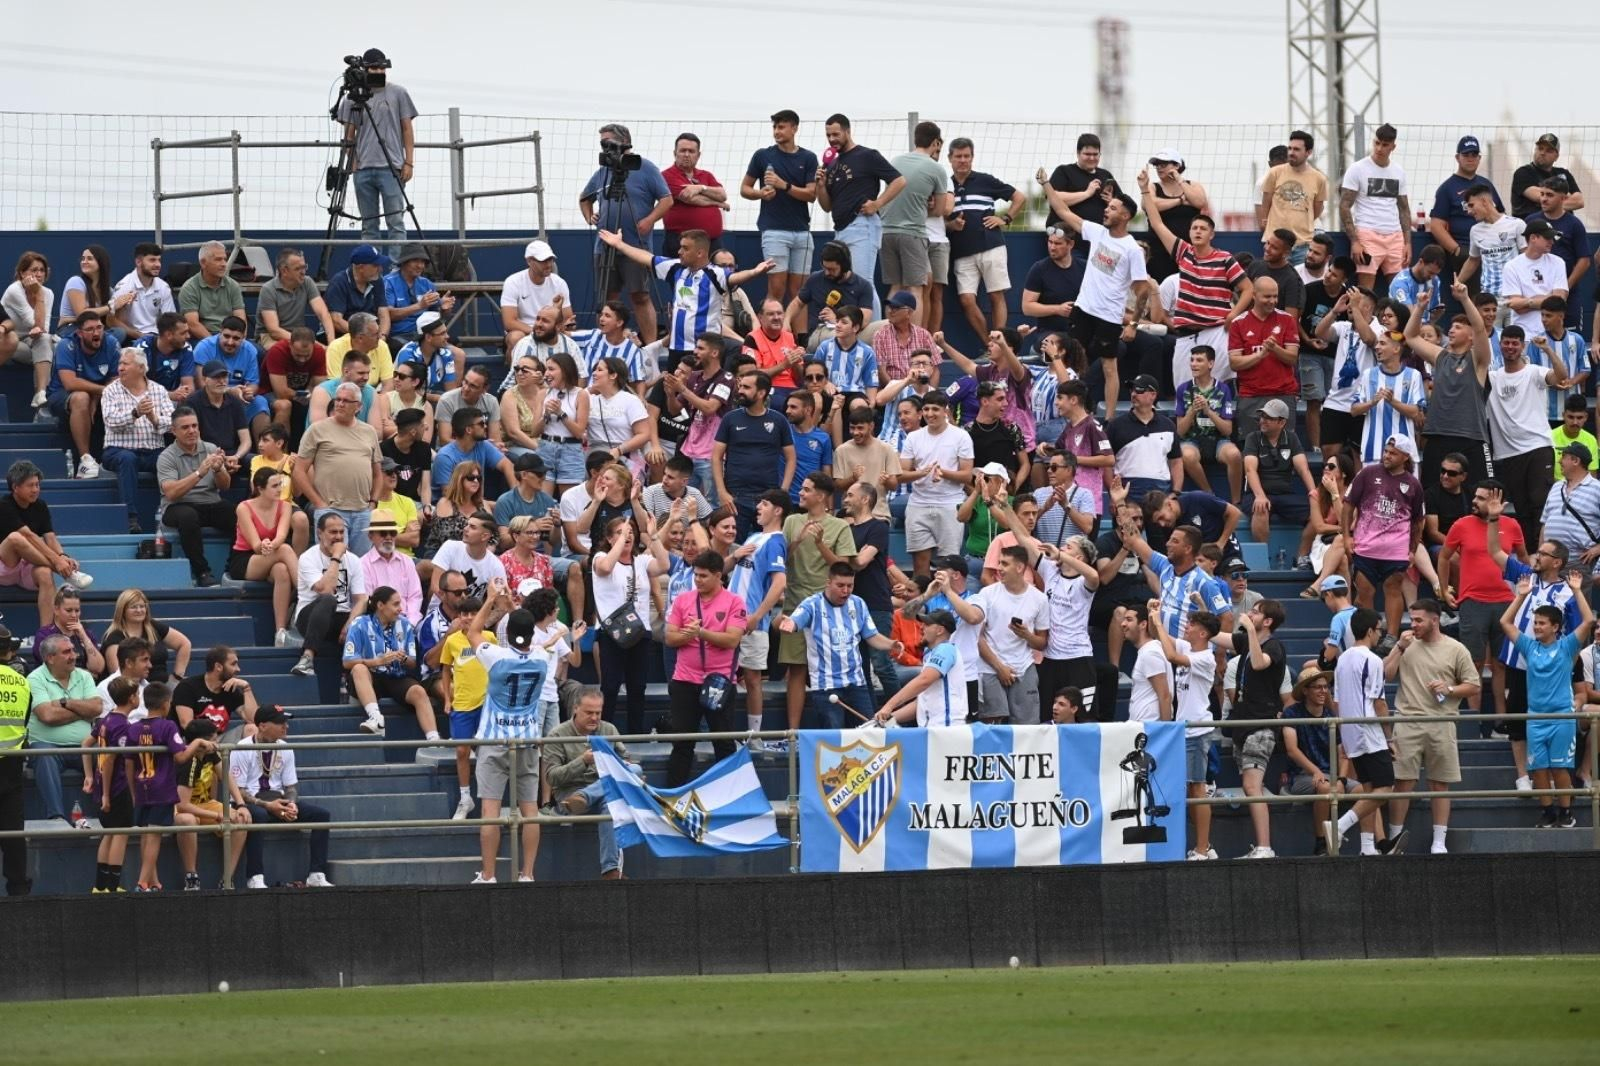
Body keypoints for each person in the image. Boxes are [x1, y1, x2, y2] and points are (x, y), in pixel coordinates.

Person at [1039, 171, 1158, 419]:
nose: (1106, 210)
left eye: (1113, 208)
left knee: (1109, 366)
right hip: (1083, 309)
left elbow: (1143, 290)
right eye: (1108, 207)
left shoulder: (1132, 249)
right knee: (1070, 363)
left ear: (1125, 216)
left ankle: (1109, 419)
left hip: (1109, 317)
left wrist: (1134, 324)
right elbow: (1063, 212)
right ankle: (1067, 411)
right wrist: (1047, 184)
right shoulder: (1096, 232)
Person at [1486, 493, 1582, 792]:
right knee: (1519, 717)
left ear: (1557, 562)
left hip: (1551, 667)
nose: (1535, 556)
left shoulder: (1568, 593)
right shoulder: (1526, 576)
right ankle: (1522, 775)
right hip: (1519, 659)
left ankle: (1554, 776)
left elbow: (1578, 634)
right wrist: (1493, 518)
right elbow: (1495, 552)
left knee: (1549, 720)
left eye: (1542, 553)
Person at [462, 582, 549, 883]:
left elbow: (473, 632)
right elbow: (529, 635)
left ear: (506, 632)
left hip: (494, 738)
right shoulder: (542, 658)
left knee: (490, 809)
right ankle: (527, 874)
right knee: (530, 810)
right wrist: (513, 607)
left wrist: (490, 601)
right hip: (527, 739)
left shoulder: (495, 656)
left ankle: (488, 875)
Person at [1137, 173, 1250, 390]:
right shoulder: (1183, 253)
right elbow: (1158, 224)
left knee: (1215, 392)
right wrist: (1144, 189)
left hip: (1216, 332)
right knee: (1184, 392)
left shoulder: (1224, 259)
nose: (1198, 231)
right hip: (1185, 335)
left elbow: (1247, 289)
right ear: (1189, 233)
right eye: (1194, 228)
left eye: (1203, 229)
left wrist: (1233, 315)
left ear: (1212, 234)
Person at [1381, 599, 1477, 855]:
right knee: (1402, 782)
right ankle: (1394, 840)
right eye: (1412, 619)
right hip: (1407, 721)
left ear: (1435, 620)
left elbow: (1474, 685)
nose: (1413, 624)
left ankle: (1439, 842)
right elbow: (1385, 675)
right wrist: (1399, 648)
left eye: (1418, 620)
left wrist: (1451, 689)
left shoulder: (1456, 649)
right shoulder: (1406, 645)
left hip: (1442, 722)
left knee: (1440, 783)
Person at [1501, 572, 1591, 830]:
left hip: (1562, 718)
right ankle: (1548, 812)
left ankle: (1566, 812)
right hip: (1535, 718)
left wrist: (1576, 591)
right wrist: (1521, 596)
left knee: (1560, 770)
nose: (1537, 627)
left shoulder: (1567, 647)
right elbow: (1505, 623)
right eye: (1536, 623)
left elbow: (1588, 620)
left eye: (1542, 623)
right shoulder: (1530, 647)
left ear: (1555, 627)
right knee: (1539, 770)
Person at [776, 562, 902, 729]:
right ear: (828, 583)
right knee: (834, 741)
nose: (846, 591)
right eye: (840, 585)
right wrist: (788, 625)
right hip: (826, 686)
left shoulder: (858, 604)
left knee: (869, 734)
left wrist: (891, 644)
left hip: (857, 683)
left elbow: (872, 636)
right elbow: (794, 621)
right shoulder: (811, 604)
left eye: (850, 585)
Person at [662, 549, 749, 785]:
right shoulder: (683, 600)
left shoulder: (734, 602)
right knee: (682, 742)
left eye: (703, 576)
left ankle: (729, 793)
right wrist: (688, 635)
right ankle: (674, 795)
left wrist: (699, 633)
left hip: (719, 681)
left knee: (723, 742)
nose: (697, 580)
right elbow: (670, 638)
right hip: (684, 680)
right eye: (696, 575)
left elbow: (732, 640)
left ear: (718, 575)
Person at [580, 123, 673, 344]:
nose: (604, 147)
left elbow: (667, 199)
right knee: (607, 299)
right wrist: (590, 216)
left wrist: (650, 220)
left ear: (623, 141)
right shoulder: (602, 172)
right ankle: (608, 343)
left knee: (640, 295)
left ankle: (650, 346)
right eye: (602, 143)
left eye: (607, 142)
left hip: (636, 246)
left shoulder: (645, 167)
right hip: (604, 245)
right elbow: (585, 198)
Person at [230, 706, 335, 888]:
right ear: (262, 726)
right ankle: (255, 876)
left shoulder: (285, 748)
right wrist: (268, 805)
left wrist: (292, 804)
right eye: (280, 723)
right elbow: (238, 790)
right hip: (251, 802)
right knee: (258, 816)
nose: (285, 727)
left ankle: (316, 873)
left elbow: (290, 786)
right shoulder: (243, 747)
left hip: (278, 799)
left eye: (285, 722)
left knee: (321, 815)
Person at [1147, 606, 1222, 859]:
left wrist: (1158, 621)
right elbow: (1162, 639)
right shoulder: (1189, 648)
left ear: (1202, 633)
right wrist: (1152, 614)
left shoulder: (1206, 657)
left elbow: (1170, 655)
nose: (1186, 628)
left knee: (1198, 789)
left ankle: (1202, 848)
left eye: (1190, 625)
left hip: (1197, 730)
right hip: (1184, 730)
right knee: (1191, 789)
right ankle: (1205, 846)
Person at [1405, 280, 1495, 486]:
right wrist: (1419, 307)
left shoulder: (1478, 360)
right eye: (1451, 327)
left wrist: (1463, 298)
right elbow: (1410, 336)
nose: (1451, 330)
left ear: (1471, 336)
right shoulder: (1441, 356)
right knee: (1431, 493)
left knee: (1479, 494)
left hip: (1471, 437)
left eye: (1458, 327)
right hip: (1437, 435)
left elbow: (1481, 329)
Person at [817, 114, 905, 317]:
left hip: (862, 225)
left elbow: (899, 180)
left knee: (863, 282)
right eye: (828, 135)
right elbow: (826, 206)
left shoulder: (867, 156)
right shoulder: (831, 165)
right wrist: (821, 186)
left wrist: (878, 203)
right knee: (849, 284)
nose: (832, 139)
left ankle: (875, 332)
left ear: (848, 131)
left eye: (836, 134)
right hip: (840, 229)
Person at [593, 509, 672, 735]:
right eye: (619, 533)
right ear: (609, 539)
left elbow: (664, 565)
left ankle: (636, 733)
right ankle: (605, 734)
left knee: (637, 687)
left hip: (640, 631)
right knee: (610, 686)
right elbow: (606, 568)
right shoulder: (600, 558)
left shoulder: (642, 561)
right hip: (612, 631)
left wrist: (653, 535)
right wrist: (620, 540)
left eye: (629, 533)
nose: (627, 536)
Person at [543, 687, 629, 879]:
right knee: (611, 799)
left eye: (598, 713)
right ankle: (611, 870)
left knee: (631, 777)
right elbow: (552, 777)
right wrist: (583, 762)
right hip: (570, 794)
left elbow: (626, 759)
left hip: (601, 789)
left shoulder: (609, 729)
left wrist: (629, 767)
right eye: (589, 713)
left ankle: (610, 871)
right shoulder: (557, 735)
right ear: (575, 709)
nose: (594, 718)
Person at [336, 48, 416, 253]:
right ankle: (372, 268)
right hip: (363, 167)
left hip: (391, 166)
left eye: (382, 67)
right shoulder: (352, 98)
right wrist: (352, 161)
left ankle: (396, 269)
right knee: (369, 224)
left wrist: (409, 161)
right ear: (364, 69)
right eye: (374, 67)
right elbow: (349, 133)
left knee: (395, 221)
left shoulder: (398, 92)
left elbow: (407, 128)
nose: (379, 71)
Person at [742, 109, 820, 305]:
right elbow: (745, 188)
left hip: (802, 232)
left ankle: (798, 336)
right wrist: (760, 194)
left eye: (782, 127)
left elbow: (811, 195)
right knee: (776, 289)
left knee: (800, 293)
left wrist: (783, 185)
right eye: (775, 127)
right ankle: (768, 335)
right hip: (774, 231)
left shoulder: (808, 158)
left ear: (794, 129)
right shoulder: (762, 156)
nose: (777, 131)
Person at [296, 381, 383, 556]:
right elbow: (299, 470)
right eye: (338, 399)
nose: (340, 404)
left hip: (362, 511)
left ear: (358, 406)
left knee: (360, 567)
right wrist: (319, 504)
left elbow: (378, 474)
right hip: (331, 510)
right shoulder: (317, 430)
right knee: (334, 565)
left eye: (346, 401)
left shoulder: (369, 432)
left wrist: (372, 503)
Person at [343, 584, 440, 740]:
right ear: (380, 605)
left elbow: (412, 663)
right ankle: (376, 718)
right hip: (370, 678)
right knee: (359, 669)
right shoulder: (359, 624)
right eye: (395, 604)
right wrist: (378, 661)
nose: (400, 609)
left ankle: (434, 739)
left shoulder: (405, 624)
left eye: (400, 604)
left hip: (396, 677)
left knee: (419, 691)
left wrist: (403, 658)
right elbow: (347, 662)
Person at [24, 633, 99, 830]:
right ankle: (56, 818)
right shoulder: (34, 678)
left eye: (73, 650)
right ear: (50, 658)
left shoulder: (83, 676)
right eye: (67, 652)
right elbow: (47, 716)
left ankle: (108, 813)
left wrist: (67, 703)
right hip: (48, 746)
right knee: (43, 754)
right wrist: (82, 711)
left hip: (84, 746)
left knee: (107, 755)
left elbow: (97, 708)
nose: (73, 655)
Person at [878, 121, 949, 325]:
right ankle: (915, 344)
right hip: (913, 232)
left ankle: (889, 337)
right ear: (936, 142)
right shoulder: (936, 169)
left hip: (886, 231)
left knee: (895, 287)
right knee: (916, 289)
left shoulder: (896, 160)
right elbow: (938, 211)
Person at [895, 392, 975, 574]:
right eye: (926, 409)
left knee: (948, 565)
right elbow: (901, 474)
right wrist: (921, 473)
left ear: (945, 410)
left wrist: (943, 473)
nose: (930, 414)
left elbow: (967, 475)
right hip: (918, 505)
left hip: (949, 505)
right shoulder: (913, 438)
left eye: (935, 409)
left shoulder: (961, 436)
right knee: (919, 564)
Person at [152, 406, 230, 587]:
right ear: (174, 431)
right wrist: (199, 473)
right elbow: (171, 493)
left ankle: (233, 568)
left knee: (237, 512)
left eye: (194, 426)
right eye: (185, 427)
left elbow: (225, 486)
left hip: (210, 503)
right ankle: (202, 572)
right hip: (177, 506)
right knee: (188, 515)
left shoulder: (210, 448)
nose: (192, 431)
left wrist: (218, 470)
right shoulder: (166, 456)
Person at [972, 545, 1050, 724]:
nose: (999, 568)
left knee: (1028, 728)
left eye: (1005, 564)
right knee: (992, 727)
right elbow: (978, 637)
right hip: (990, 668)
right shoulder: (987, 594)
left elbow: (1041, 643)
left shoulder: (1040, 599)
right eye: (1000, 563)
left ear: (1020, 567)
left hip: (1024, 667)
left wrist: (1026, 635)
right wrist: (1000, 668)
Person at [173, 717, 252, 890]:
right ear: (202, 742)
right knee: (187, 821)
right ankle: (191, 877)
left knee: (241, 819)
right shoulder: (188, 761)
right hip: (181, 808)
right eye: (215, 739)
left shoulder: (210, 753)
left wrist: (241, 804)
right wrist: (218, 816)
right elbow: (182, 805)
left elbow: (226, 776)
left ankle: (227, 878)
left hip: (205, 804)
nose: (218, 743)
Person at [290, 512, 369, 678]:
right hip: (310, 617)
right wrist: (336, 557)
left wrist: (350, 624)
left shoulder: (354, 560)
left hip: (340, 617)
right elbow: (325, 590)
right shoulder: (308, 558)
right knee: (328, 599)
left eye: (342, 532)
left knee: (370, 613)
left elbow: (361, 599)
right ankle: (307, 658)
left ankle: (361, 675)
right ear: (319, 534)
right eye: (333, 532)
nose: (339, 537)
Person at [1339, 124, 1411, 289]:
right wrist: (1355, 241)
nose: (1379, 148)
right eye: (1377, 143)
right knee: (1365, 291)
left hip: (1394, 236)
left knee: (1399, 290)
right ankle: (1363, 316)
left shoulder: (1398, 171)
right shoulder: (1358, 169)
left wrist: (1407, 243)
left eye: (1385, 145)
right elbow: (1344, 206)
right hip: (1368, 234)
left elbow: (1404, 208)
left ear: (1393, 146)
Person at [48, 311, 119, 478]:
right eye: (90, 329)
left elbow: (116, 378)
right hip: (61, 394)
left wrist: (97, 397)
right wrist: (100, 391)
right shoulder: (66, 345)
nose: (96, 333)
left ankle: (116, 457)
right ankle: (85, 460)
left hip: (97, 394)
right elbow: (70, 383)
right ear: (79, 333)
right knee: (81, 397)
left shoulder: (111, 343)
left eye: (99, 328)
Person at [873, 610, 968, 728]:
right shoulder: (931, 655)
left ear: (940, 630)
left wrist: (888, 706)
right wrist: (885, 719)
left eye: (927, 624)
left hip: (947, 729)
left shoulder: (946, 649)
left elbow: (924, 680)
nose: (921, 627)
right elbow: (920, 704)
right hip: (934, 729)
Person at [1427, 136, 1502, 285]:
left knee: (1493, 294)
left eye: (1474, 155)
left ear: (1479, 158)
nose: (1470, 159)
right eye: (1466, 155)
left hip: (1490, 248)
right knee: (1472, 297)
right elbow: (1436, 225)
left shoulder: (1486, 185)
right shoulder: (1447, 188)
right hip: (1466, 249)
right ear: (1457, 157)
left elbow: (1500, 215)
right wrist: (1456, 250)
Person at [87, 674, 136, 892]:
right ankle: (113, 886)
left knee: (109, 832)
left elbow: (85, 743)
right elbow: (110, 761)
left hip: (104, 785)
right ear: (132, 698)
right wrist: (107, 794)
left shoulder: (105, 720)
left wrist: (90, 775)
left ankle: (101, 885)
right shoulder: (123, 726)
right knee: (120, 833)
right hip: (116, 786)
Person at [1351, 327, 1427, 466]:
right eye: (1377, 343)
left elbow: (1416, 412)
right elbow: (1354, 410)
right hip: (1373, 453)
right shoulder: (1368, 374)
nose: (1377, 347)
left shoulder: (1413, 375)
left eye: (1382, 343)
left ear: (1396, 349)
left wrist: (1393, 402)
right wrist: (1371, 403)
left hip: (1405, 456)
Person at [1282, 666, 1338, 854]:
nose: (1324, 691)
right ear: (1305, 690)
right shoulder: (1292, 713)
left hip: (1330, 774)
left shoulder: (1331, 716)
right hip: (1300, 776)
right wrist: (1315, 771)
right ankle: (1321, 842)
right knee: (1324, 787)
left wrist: (1343, 778)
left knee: (1364, 790)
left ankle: (1369, 844)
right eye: (1318, 687)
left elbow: (1342, 751)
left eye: (1326, 687)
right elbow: (1291, 750)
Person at [1257, 130, 1328, 263]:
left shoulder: (1319, 178)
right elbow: (1266, 199)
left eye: (1296, 149)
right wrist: (1265, 221)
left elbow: (1318, 207)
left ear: (1308, 152)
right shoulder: (1275, 173)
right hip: (1275, 243)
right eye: (1290, 148)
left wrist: (1303, 220)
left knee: (1300, 282)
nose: (1291, 152)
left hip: (1303, 243)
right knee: (1274, 281)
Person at [1109, 375, 1182, 498]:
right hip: (1126, 491)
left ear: (1153, 395)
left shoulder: (1168, 425)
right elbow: (1107, 464)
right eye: (1132, 390)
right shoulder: (1115, 425)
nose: (1133, 394)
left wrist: (1176, 492)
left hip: (1161, 491)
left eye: (1139, 390)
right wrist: (1113, 496)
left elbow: (1176, 461)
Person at [101, 588, 190, 684]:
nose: (139, 610)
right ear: (122, 611)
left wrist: (176, 678)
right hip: (133, 691)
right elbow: (118, 677)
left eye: (142, 606)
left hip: (162, 689)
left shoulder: (153, 626)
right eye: (133, 607)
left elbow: (184, 644)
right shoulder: (114, 638)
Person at [2, 250, 56, 405]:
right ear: (22, 273)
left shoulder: (49, 293)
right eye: (34, 270)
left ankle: (40, 395)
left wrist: (38, 330)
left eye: (41, 270)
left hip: (33, 342)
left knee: (45, 341)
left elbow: (43, 328)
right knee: (48, 355)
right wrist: (38, 295)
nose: (38, 274)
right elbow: (34, 323)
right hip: (11, 343)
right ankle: (44, 406)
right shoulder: (14, 290)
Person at [661, 132, 728, 259]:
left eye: (691, 151)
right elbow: (690, 199)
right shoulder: (667, 176)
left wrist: (700, 187)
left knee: (713, 278)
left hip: (712, 242)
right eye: (682, 151)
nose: (686, 155)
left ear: (698, 155)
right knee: (682, 277)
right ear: (675, 153)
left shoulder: (706, 175)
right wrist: (717, 203)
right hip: (682, 242)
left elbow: (722, 195)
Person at [499, 240, 571, 354]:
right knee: (515, 338)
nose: (548, 264)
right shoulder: (513, 282)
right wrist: (540, 331)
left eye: (550, 260)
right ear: (529, 261)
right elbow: (509, 322)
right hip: (525, 332)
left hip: (550, 331)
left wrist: (561, 320)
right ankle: (518, 371)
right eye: (543, 261)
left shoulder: (559, 283)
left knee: (570, 336)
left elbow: (568, 319)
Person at [171, 644, 259, 737]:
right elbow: (186, 724)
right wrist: (209, 742)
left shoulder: (230, 689)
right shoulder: (187, 687)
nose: (238, 669)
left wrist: (246, 688)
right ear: (218, 667)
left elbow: (253, 720)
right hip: (193, 742)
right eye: (233, 664)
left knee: (252, 729)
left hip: (218, 741)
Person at [1540, 442, 1600, 575]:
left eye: (1563, 456)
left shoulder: (1597, 489)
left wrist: (1597, 549)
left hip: (1579, 564)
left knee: (1580, 597)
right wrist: (1541, 554)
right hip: (1550, 564)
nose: (1560, 461)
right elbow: (1545, 523)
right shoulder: (1556, 487)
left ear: (1575, 460)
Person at [1042, 132, 1118, 231]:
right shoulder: (1064, 171)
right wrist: (1086, 193)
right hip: (1065, 239)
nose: (1092, 158)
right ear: (1078, 153)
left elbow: (1123, 207)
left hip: (1096, 238)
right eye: (1087, 154)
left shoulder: (1106, 175)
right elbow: (1053, 198)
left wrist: (1111, 202)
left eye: (1095, 154)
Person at [1021, 226, 1084, 342]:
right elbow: (1027, 307)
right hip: (1050, 333)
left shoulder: (1084, 267)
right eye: (1050, 242)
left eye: (1058, 243)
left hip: (1081, 329)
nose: (1052, 247)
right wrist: (1057, 309)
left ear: (1071, 244)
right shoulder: (1039, 269)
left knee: (1115, 346)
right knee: (1058, 345)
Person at [258, 249, 336, 343]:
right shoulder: (268, 289)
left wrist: (332, 343)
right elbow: (274, 331)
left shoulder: (307, 282)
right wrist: (310, 343)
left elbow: (323, 314)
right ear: (284, 271)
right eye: (298, 269)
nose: (303, 272)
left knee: (311, 351)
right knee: (290, 351)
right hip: (269, 337)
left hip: (298, 335)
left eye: (304, 267)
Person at [360, 508, 423, 623]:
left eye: (393, 533)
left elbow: (415, 596)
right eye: (383, 533)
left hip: (407, 621)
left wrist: (410, 623)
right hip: (378, 623)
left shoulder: (407, 561)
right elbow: (368, 601)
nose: (388, 537)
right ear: (370, 536)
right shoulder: (363, 564)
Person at [385, 245, 454, 343]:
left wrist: (444, 309)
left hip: (426, 335)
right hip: (400, 335)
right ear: (404, 262)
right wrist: (419, 306)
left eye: (422, 262)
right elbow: (388, 315)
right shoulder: (389, 282)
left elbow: (437, 317)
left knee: (459, 354)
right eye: (415, 261)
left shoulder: (426, 284)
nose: (420, 265)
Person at [178, 240, 245, 340]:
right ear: (203, 263)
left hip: (231, 336)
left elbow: (240, 319)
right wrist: (215, 344)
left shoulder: (233, 285)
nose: (224, 264)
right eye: (218, 259)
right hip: (201, 339)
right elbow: (192, 324)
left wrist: (238, 340)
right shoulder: (189, 288)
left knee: (258, 352)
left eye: (224, 259)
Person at [32, 586, 104, 676]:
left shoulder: (86, 634)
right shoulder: (44, 635)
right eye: (69, 610)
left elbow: (98, 668)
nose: (74, 615)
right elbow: (54, 667)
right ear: (56, 610)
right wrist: (86, 674)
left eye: (77, 610)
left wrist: (84, 637)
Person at [1510, 133, 1584, 218]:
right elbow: (1542, 198)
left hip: (1562, 226)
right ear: (1535, 150)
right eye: (1540, 148)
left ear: (1556, 156)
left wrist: (1554, 203)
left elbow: (1579, 201)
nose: (1542, 153)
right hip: (1532, 227)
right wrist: (1566, 197)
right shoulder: (1523, 173)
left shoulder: (1563, 173)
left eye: (1549, 150)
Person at [110, 242, 175, 339]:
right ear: (138, 262)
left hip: (157, 337)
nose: (158, 264)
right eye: (152, 260)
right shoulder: (124, 286)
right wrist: (139, 336)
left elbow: (170, 319)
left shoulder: (163, 286)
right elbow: (111, 321)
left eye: (159, 260)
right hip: (132, 337)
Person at [1121, 603, 1172, 725]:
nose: (1123, 624)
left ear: (1143, 624)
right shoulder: (1148, 650)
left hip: (1150, 728)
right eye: (1123, 620)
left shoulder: (1150, 653)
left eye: (1129, 620)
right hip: (1144, 728)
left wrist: (1165, 731)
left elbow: (1165, 696)